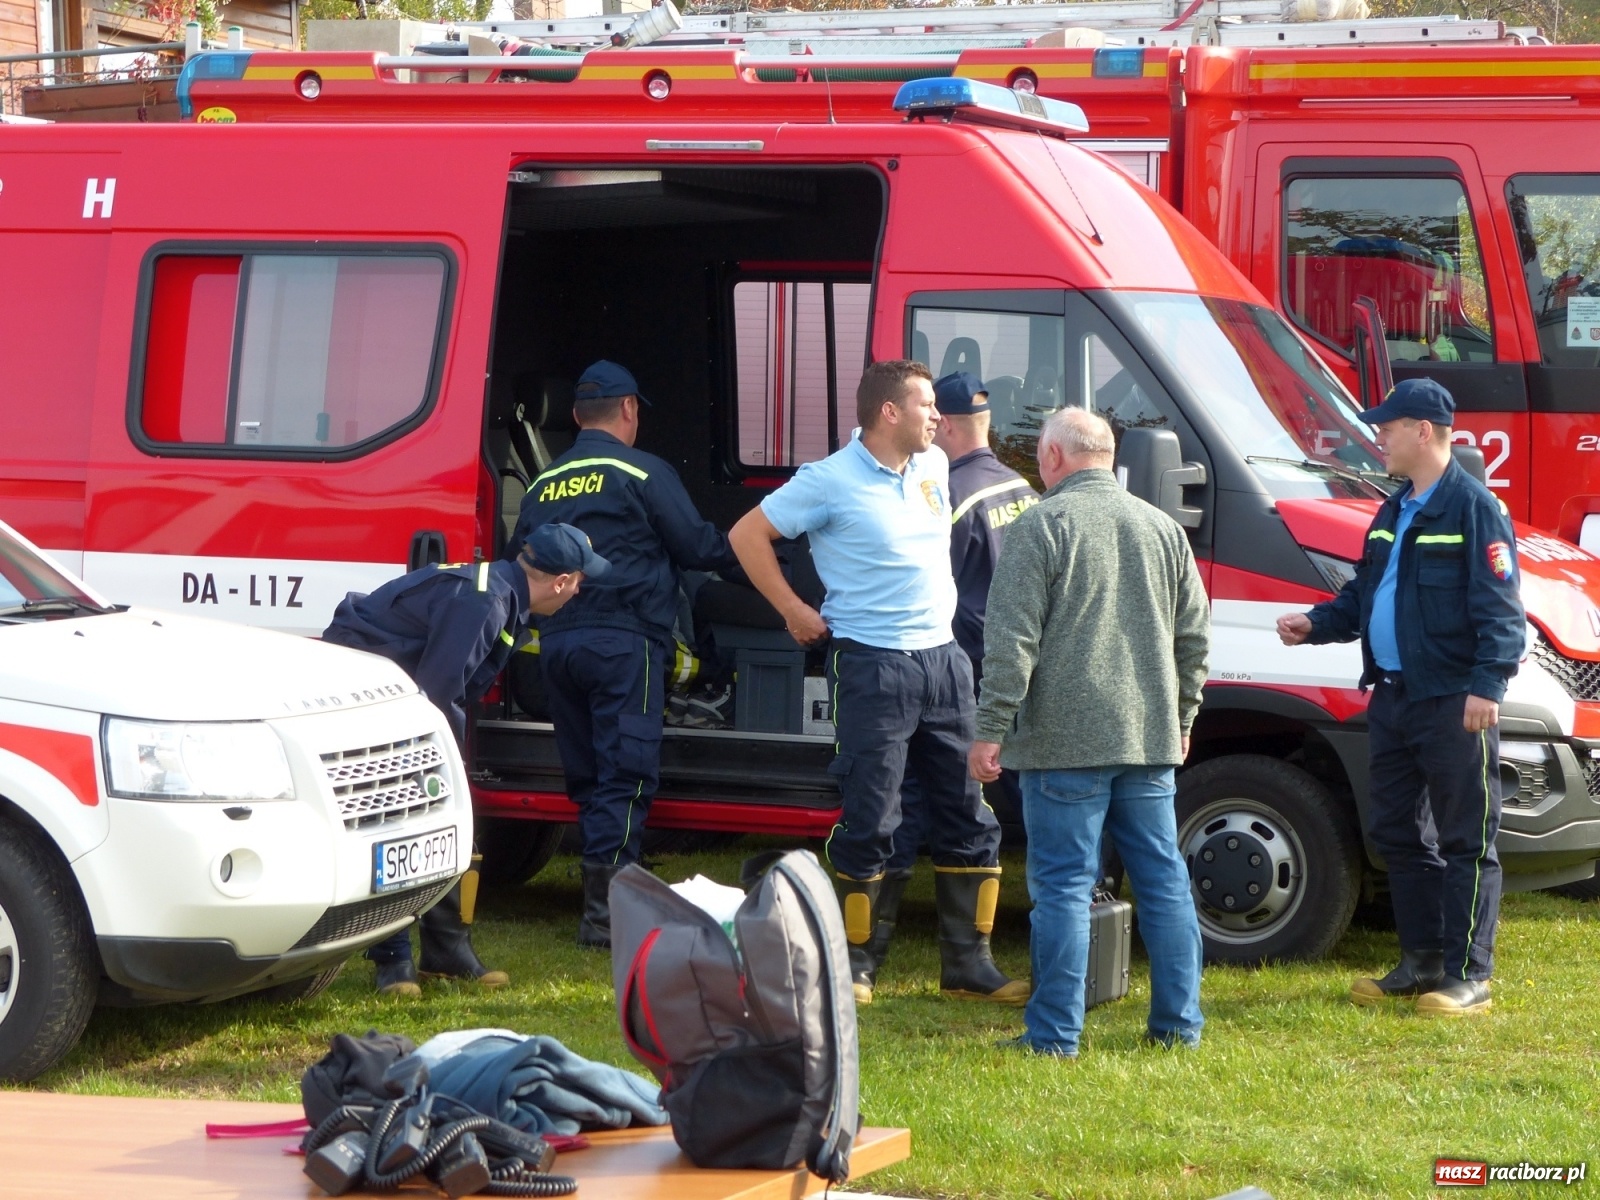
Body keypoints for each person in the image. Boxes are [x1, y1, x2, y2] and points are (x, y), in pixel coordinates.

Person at [729, 359, 1026, 1008]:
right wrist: (792, 609)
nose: (938, 417)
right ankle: (856, 966)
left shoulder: (934, 465)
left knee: (969, 811)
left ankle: (969, 966)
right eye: (926, 405)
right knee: (873, 815)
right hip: (873, 664)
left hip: (946, 662)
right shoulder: (828, 480)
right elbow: (747, 534)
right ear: (889, 412)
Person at [1277, 378, 1523, 1015]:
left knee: (1467, 839)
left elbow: (1502, 613)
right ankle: (1421, 962)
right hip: (1392, 698)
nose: (1378, 438)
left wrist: (1487, 687)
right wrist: (1315, 624)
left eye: (1387, 428)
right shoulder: (1394, 509)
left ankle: (1469, 976)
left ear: (1423, 431)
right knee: (1397, 832)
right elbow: (1365, 594)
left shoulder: (1475, 509)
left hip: (1454, 702)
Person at [970, 408, 1209, 1059]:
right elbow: (1194, 638)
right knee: (1164, 881)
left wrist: (990, 729)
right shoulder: (1163, 529)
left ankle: (1054, 1036)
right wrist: (1183, 718)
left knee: (1063, 889)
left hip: (1062, 743)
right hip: (1149, 738)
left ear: (1053, 456)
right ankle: (1178, 1027)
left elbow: (1011, 642)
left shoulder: (1040, 525)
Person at [505, 360, 738, 949]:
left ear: (577, 415)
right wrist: (766, 555)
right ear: (629, 409)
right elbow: (696, 546)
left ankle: (603, 902)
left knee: (588, 776)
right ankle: (607, 919)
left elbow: (517, 564)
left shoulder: (542, 482)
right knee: (625, 775)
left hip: (557, 647)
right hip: (624, 646)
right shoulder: (642, 471)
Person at [323, 522, 608, 996]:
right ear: (561, 581)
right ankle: (393, 960)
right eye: (580, 580)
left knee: (443, 819)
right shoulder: (486, 602)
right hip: (362, 695)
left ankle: (446, 953)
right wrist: (445, 769)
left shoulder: (501, 594)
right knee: (398, 820)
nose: (579, 591)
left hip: (397, 692)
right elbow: (439, 694)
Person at [877, 371, 1038, 971]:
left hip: (958, 673)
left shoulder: (946, 493)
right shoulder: (1021, 487)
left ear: (941, 423)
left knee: (911, 796)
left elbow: (916, 584)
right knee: (1022, 805)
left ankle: (873, 944)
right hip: (1016, 669)